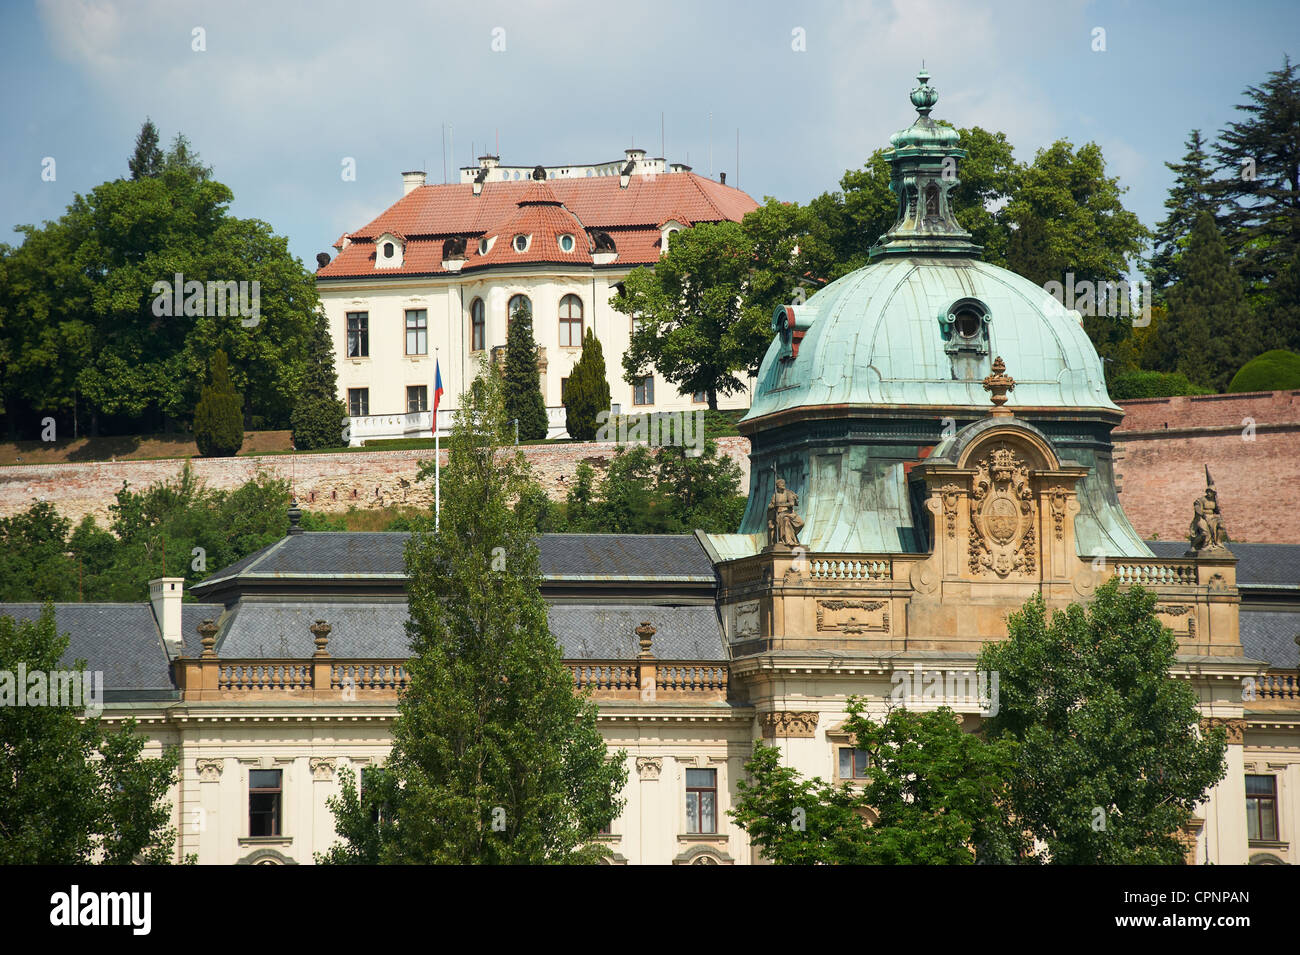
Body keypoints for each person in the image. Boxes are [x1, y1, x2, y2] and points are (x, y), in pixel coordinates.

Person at [767, 478, 803, 547]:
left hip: (789, 512)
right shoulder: (775, 495)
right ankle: (787, 540)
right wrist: (771, 506)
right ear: (777, 486)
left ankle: (792, 536)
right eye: (781, 483)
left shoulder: (788, 493)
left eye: (783, 483)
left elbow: (791, 503)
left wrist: (779, 504)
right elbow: (772, 504)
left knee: (801, 523)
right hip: (780, 514)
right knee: (785, 520)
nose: (783, 484)